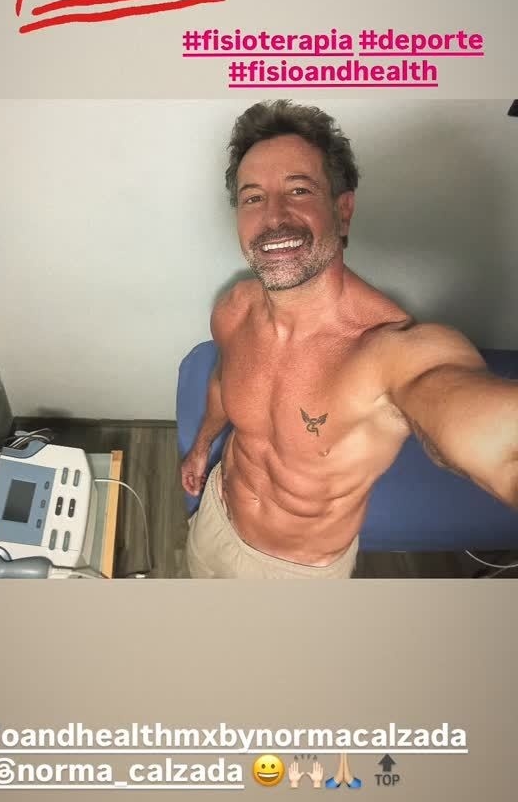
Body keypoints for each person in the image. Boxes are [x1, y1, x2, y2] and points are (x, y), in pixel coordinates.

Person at [181, 99, 518, 579]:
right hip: (217, 515)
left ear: (342, 211)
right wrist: (201, 446)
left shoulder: (390, 352)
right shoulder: (234, 309)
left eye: (299, 190)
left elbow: (493, 438)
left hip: (298, 574)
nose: (274, 217)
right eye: (253, 198)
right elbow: (222, 382)